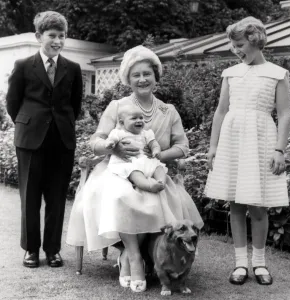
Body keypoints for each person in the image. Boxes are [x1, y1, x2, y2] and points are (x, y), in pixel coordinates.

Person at [66, 45, 203, 293]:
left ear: (155, 76)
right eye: (136, 74)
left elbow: (183, 146)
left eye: (147, 73)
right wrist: (113, 150)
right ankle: (133, 257)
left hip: (153, 170)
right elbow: (95, 141)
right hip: (116, 170)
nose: (142, 79)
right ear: (128, 79)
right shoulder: (117, 107)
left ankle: (149, 255)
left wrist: (161, 154)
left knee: (158, 196)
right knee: (123, 196)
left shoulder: (167, 110)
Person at [205, 17, 290, 286]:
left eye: (239, 44)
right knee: (236, 204)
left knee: (258, 205)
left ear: (255, 41)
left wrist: (279, 149)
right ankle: (240, 263)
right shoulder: (230, 74)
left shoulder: (277, 74)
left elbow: (285, 114)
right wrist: (213, 147)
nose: (236, 50)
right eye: (233, 46)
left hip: (261, 140)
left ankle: (260, 263)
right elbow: (220, 111)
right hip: (233, 139)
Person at [6, 11, 83, 268]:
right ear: (39, 36)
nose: (58, 41)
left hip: (62, 141)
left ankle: (52, 250)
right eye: (52, 35)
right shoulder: (23, 66)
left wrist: (61, 125)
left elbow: (75, 105)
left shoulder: (73, 68)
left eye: (62, 36)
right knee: (29, 196)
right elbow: (13, 104)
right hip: (29, 140)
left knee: (57, 196)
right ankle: (30, 249)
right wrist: (29, 123)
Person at [106, 104, 167, 193]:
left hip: (145, 161)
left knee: (159, 167)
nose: (139, 121)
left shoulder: (146, 133)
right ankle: (149, 186)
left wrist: (156, 150)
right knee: (135, 173)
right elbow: (113, 139)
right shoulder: (119, 133)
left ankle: (161, 182)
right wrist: (111, 143)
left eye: (141, 118)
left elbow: (154, 143)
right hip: (127, 162)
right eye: (134, 118)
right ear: (122, 122)